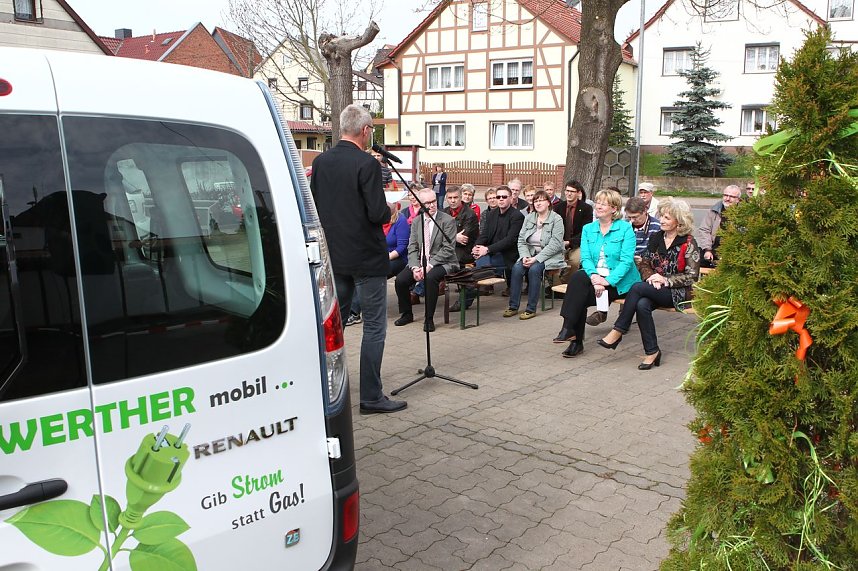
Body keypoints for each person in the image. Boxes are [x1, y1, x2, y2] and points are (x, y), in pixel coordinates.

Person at [310, 103, 406, 414]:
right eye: (371, 131)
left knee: (332, 325)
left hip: (335, 257)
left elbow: (316, 207)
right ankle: (371, 397)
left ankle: (325, 389)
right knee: (375, 327)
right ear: (365, 131)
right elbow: (377, 213)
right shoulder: (367, 165)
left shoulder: (321, 162)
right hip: (367, 258)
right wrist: (393, 209)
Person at [598, 198, 700, 369]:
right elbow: (644, 263)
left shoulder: (688, 242)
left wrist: (666, 280)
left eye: (667, 218)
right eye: (661, 216)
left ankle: (618, 330)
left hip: (678, 292)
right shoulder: (656, 237)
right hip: (653, 287)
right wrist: (651, 277)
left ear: (679, 221)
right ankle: (652, 352)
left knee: (637, 288)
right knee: (642, 304)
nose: (661, 220)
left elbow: (692, 275)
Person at [553, 189, 640, 358]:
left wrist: (606, 282)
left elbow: (626, 261)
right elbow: (585, 258)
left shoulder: (625, 229)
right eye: (597, 202)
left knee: (580, 297)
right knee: (579, 277)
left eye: (603, 203)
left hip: (620, 282)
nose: (598, 206)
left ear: (614, 209)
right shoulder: (588, 229)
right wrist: (594, 278)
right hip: (595, 278)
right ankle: (569, 329)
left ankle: (574, 338)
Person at [394, 189, 458, 332]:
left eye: (434, 201)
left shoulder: (447, 220)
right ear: (421, 204)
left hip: (443, 262)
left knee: (430, 278)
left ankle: (429, 318)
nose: (432, 205)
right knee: (400, 280)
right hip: (420, 261)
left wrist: (429, 266)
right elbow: (412, 247)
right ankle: (406, 314)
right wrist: (415, 267)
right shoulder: (417, 221)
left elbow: (448, 249)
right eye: (427, 203)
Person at [455, 185, 525, 309]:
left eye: (504, 197)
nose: (501, 199)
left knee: (479, 271)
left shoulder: (517, 216)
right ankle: (465, 300)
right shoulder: (492, 214)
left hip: (507, 255)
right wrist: (477, 247)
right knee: (472, 270)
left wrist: (486, 249)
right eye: (499, 197)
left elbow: (510, 240)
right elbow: (484, 235)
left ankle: (466, 300)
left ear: (511, 198)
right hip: (490, 253)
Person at [346, 201, 411, 326]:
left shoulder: (400, 221)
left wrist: (383, 258)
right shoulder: (376, 221)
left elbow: (402, 247)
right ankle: (352, 310)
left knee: (370, 275)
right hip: (377, 257)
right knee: (355, 271)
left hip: (397, 258)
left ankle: (355, 313)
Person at [504, 190, 565, 319]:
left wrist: (536, 259)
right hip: (530, 254)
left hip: (549, 256)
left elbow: (555, 244)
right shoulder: (529, 218)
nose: (538, 203)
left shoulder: (556, 219)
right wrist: (525, 256)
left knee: (534, 270)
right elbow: (521, 240)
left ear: (548, 202)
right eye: (535, 201)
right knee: (516, 268)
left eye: (541, 200)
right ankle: (513, 306)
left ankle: (531, 308)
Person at [552, 179, 593, 274]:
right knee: (551, 262)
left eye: (572, 191)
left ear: (578, 193)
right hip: (559, 243)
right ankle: (555, 287)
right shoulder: (558, 207)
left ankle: (568, 285)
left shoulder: (586, 208)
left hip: (577, 244)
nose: (569, 194)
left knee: (575, 262)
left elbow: (585, 231)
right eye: (567, 191)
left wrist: (569, 242)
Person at [697, 184, 741, 267]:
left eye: (731, 196)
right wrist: (707, 250)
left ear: (738, 199)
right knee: (696, 261)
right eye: (725, 195)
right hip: (712, 249)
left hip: (732, 252)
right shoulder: (714, 210)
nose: (727, 199)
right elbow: (704, 229)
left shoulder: (742, 214)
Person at [444, 186, 479, 267]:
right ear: (446, 199)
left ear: (460, 198)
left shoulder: (470, 214)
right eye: (450, 198)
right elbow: (437, 235)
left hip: (464, 251)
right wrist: (454, 237)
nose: (453, 201)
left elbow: (463, 239)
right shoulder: (444, 212)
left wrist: (445, 236)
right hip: (447, 248)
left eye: (455, 197)